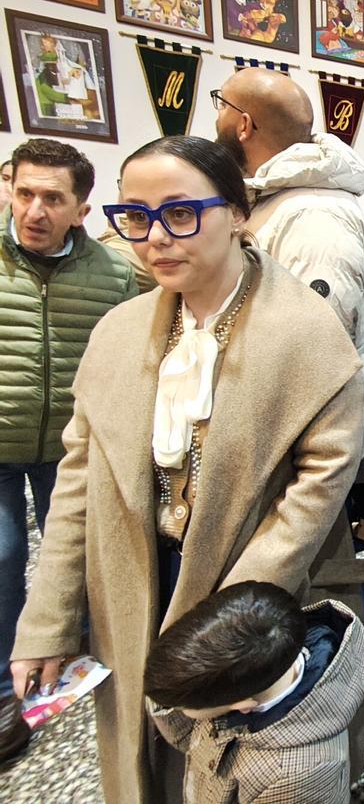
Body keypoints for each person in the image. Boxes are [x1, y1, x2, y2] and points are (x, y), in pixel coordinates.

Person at [11, 136, 364, 803]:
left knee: (239, 761)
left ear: (237, 212)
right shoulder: (118, 333)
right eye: (136, 216)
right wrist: (50, 622)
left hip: (257, 587)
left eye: (179, 213)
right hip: (134, 582)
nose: (155, 239)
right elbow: (78, 486)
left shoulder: (305, 330)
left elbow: (319, 483)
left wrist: (227, 627)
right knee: (151, 765)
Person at [0, 139, 138, 761]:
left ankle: (74, 653)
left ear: (82, 208)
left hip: (73, 447)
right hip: (2, 440)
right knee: (3, 558)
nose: (34, 210)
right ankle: (7, 693)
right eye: (23, 192)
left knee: (82, 556)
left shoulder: (115, 275)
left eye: (52, 198)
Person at [213, 67, 364, 408]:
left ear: (244, 124)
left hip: (299, 432)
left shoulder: (315, 211)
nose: (216, 120)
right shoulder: (277, 200)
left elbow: (317, 355)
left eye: (221, 105)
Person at [143, 582, 364, 803]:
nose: (180, 711)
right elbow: (192, 737)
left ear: (243, 705)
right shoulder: (267, 649)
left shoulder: (298, 777)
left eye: (185, 707)